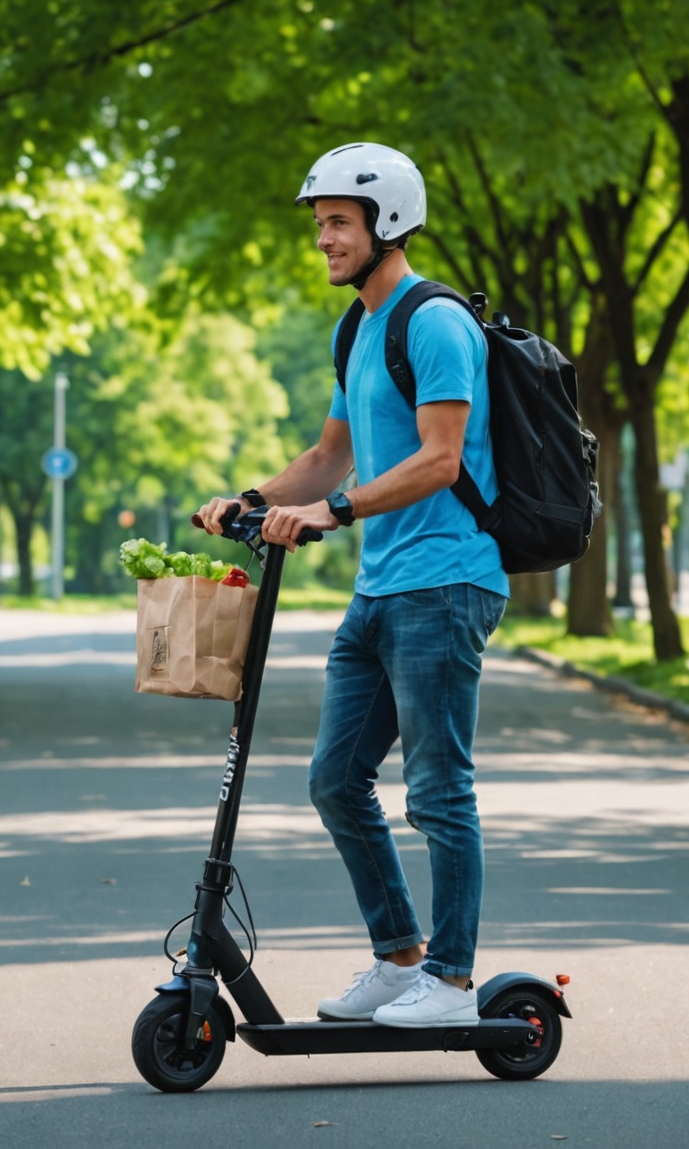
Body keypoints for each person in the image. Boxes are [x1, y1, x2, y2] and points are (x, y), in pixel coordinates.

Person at [192, 143, 507, 1029]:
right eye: (321, 222)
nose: (323, 238)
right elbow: (331, 454)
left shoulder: (435, 323)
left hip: (446, 581)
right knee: (335, 780)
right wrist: (252, 500)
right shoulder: (359, 326)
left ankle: (449, 983)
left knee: (439, 790)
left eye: (338, 222)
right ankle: (399, 955)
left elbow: (440, 460)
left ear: (387, 223)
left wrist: (335, 511)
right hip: (382, 590)